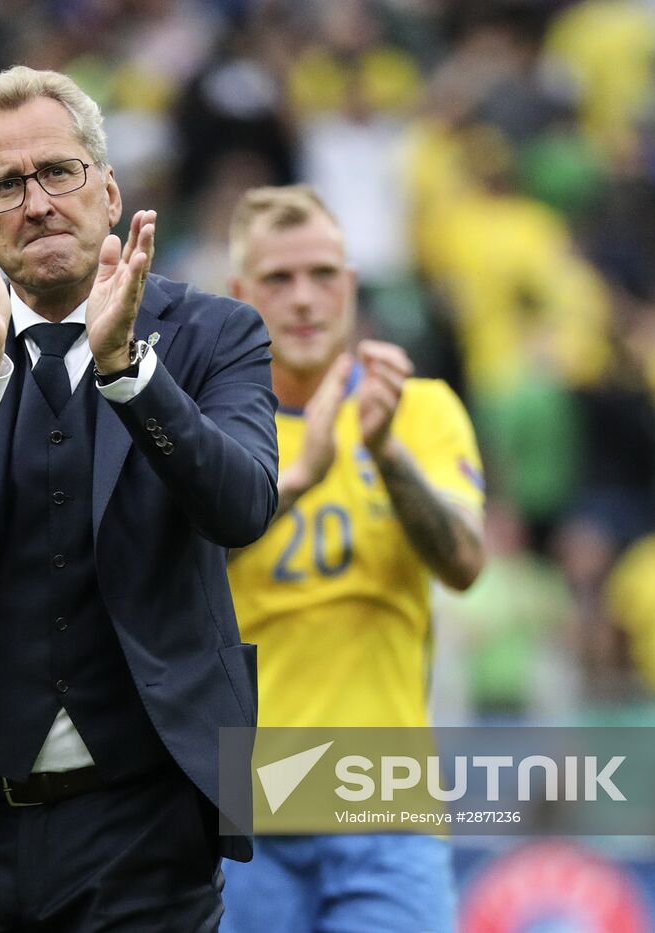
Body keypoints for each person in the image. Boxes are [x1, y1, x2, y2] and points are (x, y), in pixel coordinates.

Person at [0, 66, 279, 930]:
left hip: (150, 823)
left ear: (109, 188)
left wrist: (130, 372)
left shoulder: (217, 333)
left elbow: (243, 508)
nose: (39, 202)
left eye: (58, 171)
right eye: (6, 186)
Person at [221, 186, 487, 933]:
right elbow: (169, 564)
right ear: (240, 294)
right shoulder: (206, 427)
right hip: (238, 807)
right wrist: (298, 476)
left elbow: (465, 563)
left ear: (351, 283)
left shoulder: (424, 409)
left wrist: (387, 453)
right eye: (278, 279)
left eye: (322, 274)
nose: (304, 298)